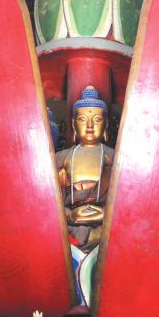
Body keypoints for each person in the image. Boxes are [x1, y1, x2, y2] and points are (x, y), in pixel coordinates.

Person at [56, 86, 114, 251]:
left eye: (97, 119)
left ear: (106, 124)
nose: (89, 125)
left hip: (105, 227)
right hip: (69, 227)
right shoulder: (61, 158)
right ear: (73, 124)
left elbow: (128, 202)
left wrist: (106, 215)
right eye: (82, 119)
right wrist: (70, 215)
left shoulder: (116, 158)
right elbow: (48, 202)